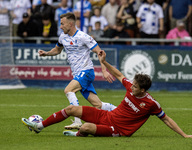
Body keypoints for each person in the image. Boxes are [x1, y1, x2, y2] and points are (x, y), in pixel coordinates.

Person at [22, 50, 192, 138]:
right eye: (131, 84)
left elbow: (167, 119)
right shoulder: (130, 86)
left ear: (143, 90)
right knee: (72, 109)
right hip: (107, 116)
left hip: (117, 129)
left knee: (86, 127)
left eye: (134, 87)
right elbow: (119, 74)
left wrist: (184, 134)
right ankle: (40, 126)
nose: (131, 87)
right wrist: (103, 62)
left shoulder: (151, 104)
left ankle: (78, 134)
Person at [37, 12, 116, 129]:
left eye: (62, 24)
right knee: (97, 104)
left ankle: (77, 121)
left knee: (68, 90)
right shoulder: (62, 37)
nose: (60, 27)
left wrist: (104, 71)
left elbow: (100, 53)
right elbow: (57, 50)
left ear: (70, 24)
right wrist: (46, 54)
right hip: (78, 74)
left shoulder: (83, 37)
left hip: (87, 71)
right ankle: (119, 112)